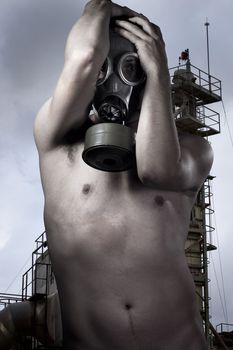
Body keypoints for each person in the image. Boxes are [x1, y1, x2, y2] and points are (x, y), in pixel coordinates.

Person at [34, 1, 213, 349]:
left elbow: (156, 169)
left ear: (146, 74)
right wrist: (99, 6)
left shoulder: (194, 150)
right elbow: (85, 57)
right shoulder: (56, 142)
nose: (112, 81)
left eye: (130, 68)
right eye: (103, 68)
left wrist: (158, 68)